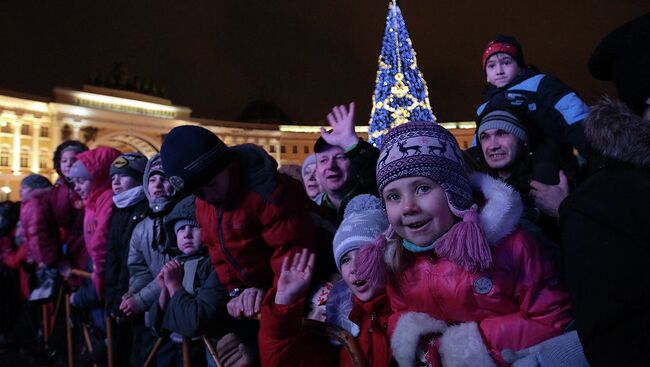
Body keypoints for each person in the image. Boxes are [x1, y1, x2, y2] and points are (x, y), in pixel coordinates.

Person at [363, 121, 572, 366]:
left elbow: (553, 320)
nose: (408, 207)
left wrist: (469, 344)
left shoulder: (512, 247)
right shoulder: (398, 259)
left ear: (456, 192)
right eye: (394, 196)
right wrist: (423, 343)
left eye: (422, 188)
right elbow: (400, 312)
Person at [160, 125, 315, 326]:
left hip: (293, 293)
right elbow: (218, 253)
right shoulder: (204, 203)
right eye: (199, 192)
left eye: (211, 185)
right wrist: (236, 292)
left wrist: (272, 297)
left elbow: (292, 254)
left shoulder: (268, 193)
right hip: (257, 295)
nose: (208, 196)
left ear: (227, 166)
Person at [477, 34, 590, 185]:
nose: (499, 71)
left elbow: (576, 116)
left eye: (506, 63)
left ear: (520, 65)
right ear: (486, 76)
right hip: (509, 175)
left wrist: (594, 155)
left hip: (552, 164)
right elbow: (477, 147)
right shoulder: (483, 108)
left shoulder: (541, 84)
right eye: (491, 66)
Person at [150, 195, 230, 367]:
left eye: (194, 227)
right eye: (180, 229)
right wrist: (164, 290)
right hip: (177, 347)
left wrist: (173, 285)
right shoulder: (175, 265)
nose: (186, 234)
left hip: (209, 348)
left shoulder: (214, 263)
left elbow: (195, 321)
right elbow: (158, 326)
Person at [124, 153, 181, 366]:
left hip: (183, 311)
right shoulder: (142, 228)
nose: (157, 184)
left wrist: (141, 300)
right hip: (157, 313)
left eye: (164, 178)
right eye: (152, 179)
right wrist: (133, 293)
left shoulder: (182, 219)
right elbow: (139, 269)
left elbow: (178, 267)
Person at [22, 141, 88, 292]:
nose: (68, 164)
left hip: (90, 253)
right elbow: (40, 231)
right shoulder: (53, 195)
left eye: (74, 159)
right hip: (69, 256)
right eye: (64, 160)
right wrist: (54, 260)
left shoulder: (92, 187)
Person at [103, 152, 149, 367]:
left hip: (137, 301)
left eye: (123, 176)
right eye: (113, 178)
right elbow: (113, 260)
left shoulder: (146, 209)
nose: (116, 182)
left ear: (140, 178)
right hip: (120, 299)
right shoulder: (118, 210)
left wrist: (124, 298)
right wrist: (111, 301)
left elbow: (134, 264)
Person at [67, 146, 122, 302]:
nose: (76, 187)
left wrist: (99, 272)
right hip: (97, 265)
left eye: (81, 181)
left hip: (103, 268)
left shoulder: (105, 198)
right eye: (74, 182)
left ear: (98, 177)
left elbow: (101, 238)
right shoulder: (92, 201)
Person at [314, 102, 379, 225]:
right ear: (316, 170)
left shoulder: (376, 199)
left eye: (340, 157)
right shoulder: (311, 214)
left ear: (353, 161)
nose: (331, 166)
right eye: (323, 160)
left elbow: (379, 174)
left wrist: (352, 144)